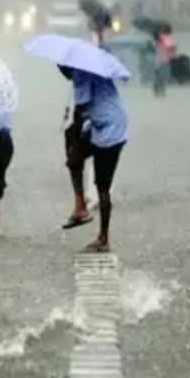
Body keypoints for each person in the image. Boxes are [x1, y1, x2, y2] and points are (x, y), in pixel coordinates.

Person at [59, 66, 128, 253]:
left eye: (61, 69)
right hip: (109, 123)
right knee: (74, 153)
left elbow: (80, 112)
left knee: (102, 186)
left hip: (110, 132)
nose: (61, 73)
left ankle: (103, 238)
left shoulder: (81, 75)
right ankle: (80, 206)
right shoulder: (90, 70)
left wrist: (74, 141)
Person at [153, 26, 174, 97]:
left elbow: (170, 50)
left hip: (162, 62)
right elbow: (170, 49)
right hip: (160, 62)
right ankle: (159, 90)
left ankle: (160, 90)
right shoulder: (161, 41)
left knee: (161, 77)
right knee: (160, 77)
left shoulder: (161, 40)